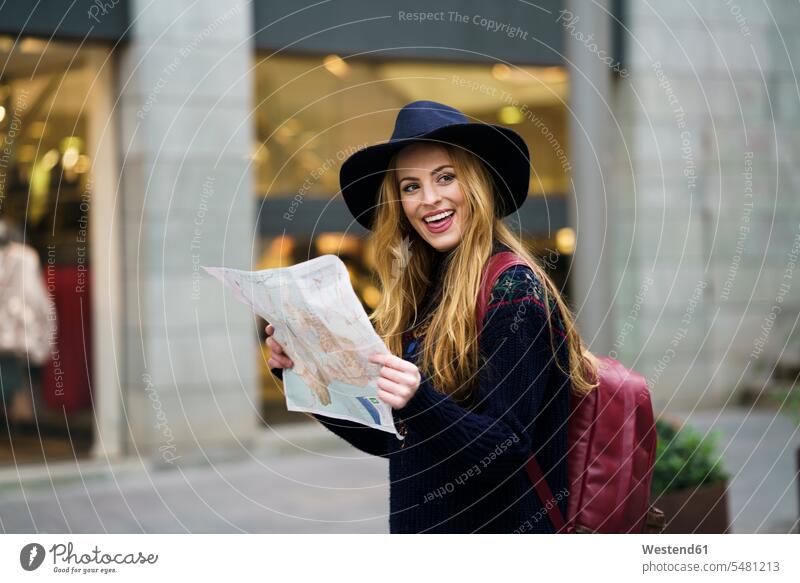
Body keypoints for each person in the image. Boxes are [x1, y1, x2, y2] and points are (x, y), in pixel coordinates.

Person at [266, 100, 600, 533]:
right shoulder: (425, 294)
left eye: (445, 177)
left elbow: (507, 450)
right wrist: (307, 371)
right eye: (410, 186)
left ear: (477, 184)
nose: (429, 199)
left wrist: (419, 398)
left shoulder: (513, 291)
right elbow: (399, 441)